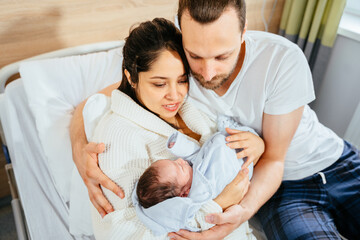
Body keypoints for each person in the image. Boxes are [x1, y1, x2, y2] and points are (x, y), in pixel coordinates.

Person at [70, 1, 360, 240]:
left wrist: (254, 159)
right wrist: (79, 150)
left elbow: (273, 157)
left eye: (222, 56)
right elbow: (99, 99)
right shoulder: (174, 66)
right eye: (195, 56)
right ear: (183, 36)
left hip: (336, 161)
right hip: (282, 190)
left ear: (244, 32)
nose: (207, 73)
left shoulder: (280, 59)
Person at [79, 17, 263, 239]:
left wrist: (256, 145)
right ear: (131, 78)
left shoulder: (192, 106)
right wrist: (216, 205)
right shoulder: (116, 136)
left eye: (182, 80)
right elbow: (120, 233)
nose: (175, 95)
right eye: (159, 84)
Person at [132, 122, 257, 236]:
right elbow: (195, 220)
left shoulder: (192, 169)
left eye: (174, 161)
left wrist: (177, 144)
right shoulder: (198, 197)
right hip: (238, 165)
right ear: (183, 194)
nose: (180, 160)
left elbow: (194, 153)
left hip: (236, 142)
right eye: (179, 167)